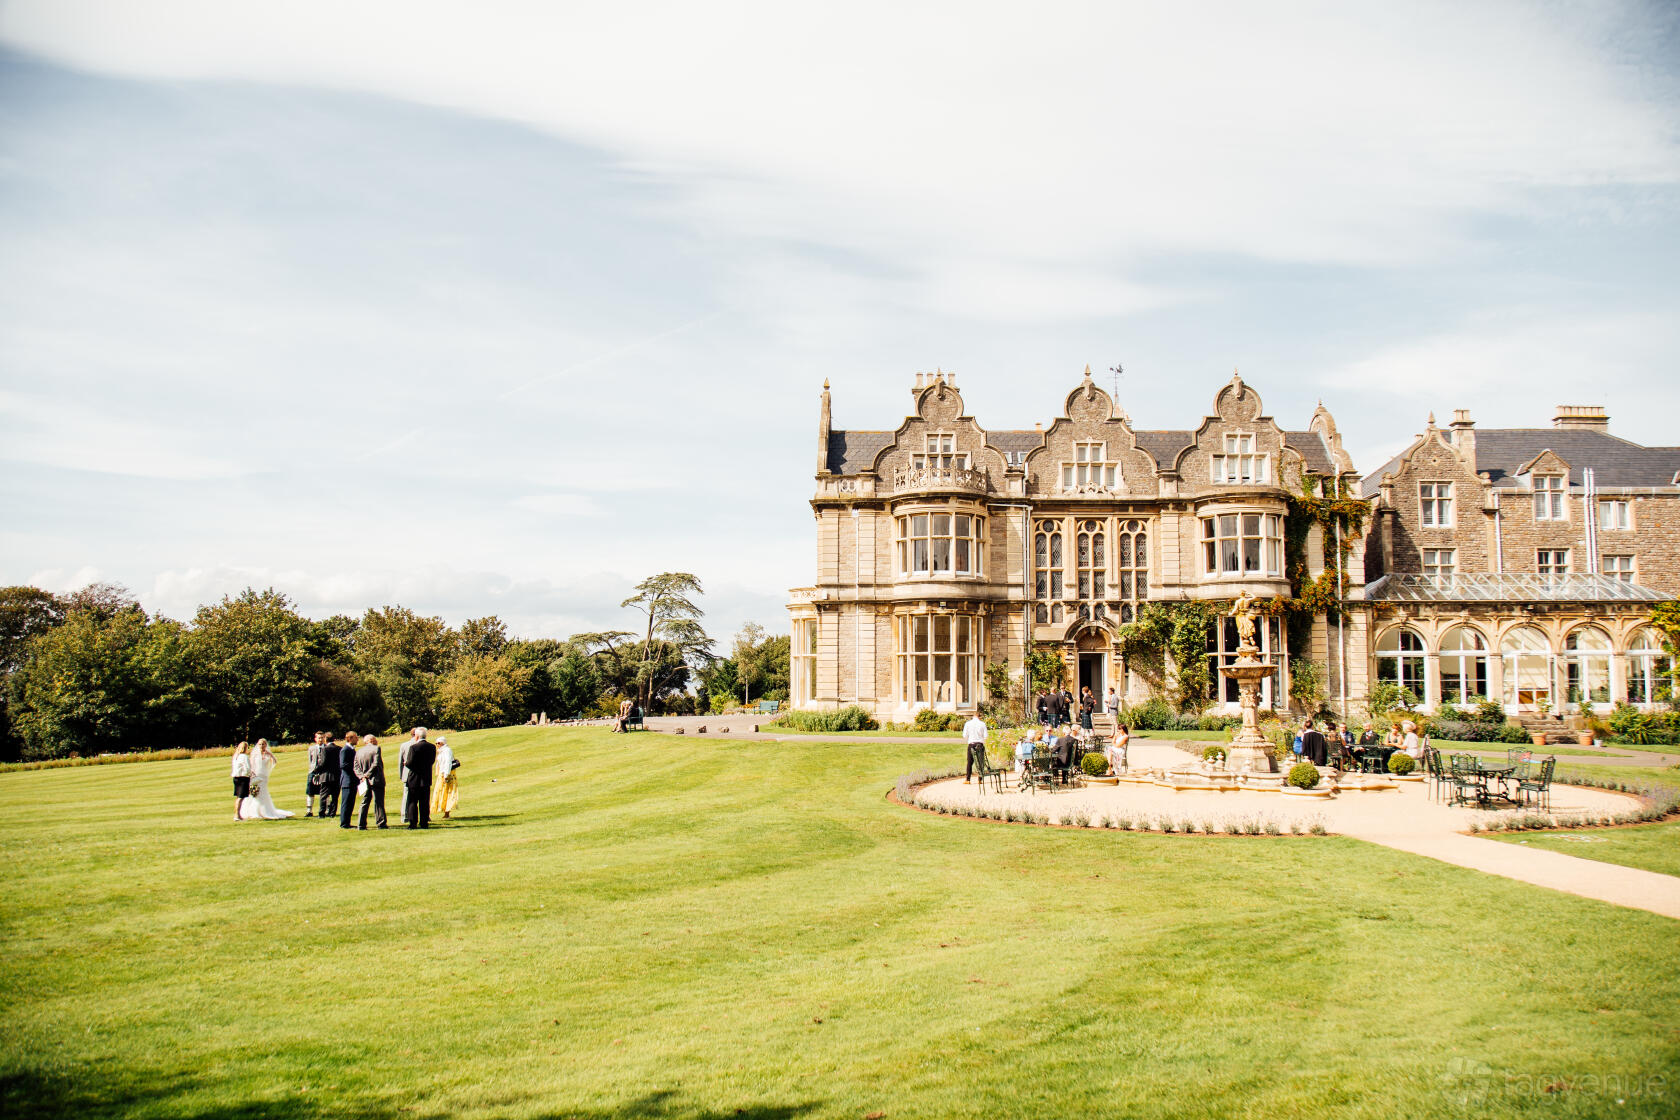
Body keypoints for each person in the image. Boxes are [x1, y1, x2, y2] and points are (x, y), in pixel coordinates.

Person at [240, 739, 295, 820]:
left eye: (263, 744)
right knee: (255, 793)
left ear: (266, 745)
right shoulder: (254, 754)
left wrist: (270, 755)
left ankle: (264, 810)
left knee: (263, 792)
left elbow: (274, 762)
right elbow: (251, 765)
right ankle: (253, 811)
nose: (261, 746)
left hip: (264, 776)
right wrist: (252, 774)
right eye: (260, 744)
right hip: (256, 775)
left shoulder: (267, 754)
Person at [403, 727, 437, 829]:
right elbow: (431, 761)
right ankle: (424, 823)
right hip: (426, 777)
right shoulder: (432, 747)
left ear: (417, 736)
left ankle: (413, 823)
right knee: (424, 802)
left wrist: (406, 763)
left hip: (414, 778)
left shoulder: (413, 747)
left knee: (412, 801)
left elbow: (410, 762)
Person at [353, 733, 388, 830]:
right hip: (376, 780)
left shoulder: (358, 751)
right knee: (378, 802)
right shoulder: (376, 748)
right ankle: (381, 823)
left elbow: (355, 767)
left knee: (364, 802)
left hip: (364, 781)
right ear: (372, 740)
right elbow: (375, 763)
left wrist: (362, 776)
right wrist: (367, 775)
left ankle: (361, 824)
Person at [432, 736, 459, 819]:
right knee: (441, 792)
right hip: (441, 774)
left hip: (447, 774)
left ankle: (447, 813)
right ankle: (444, 811)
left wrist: (446, 775)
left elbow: (448, 763)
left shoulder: (447, 751)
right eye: (436, 743)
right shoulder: (441, 751)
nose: (437, 745)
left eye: (439, 743)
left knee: (447, 792)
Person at [337, 732, 360, 829]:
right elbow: (343, 765)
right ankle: (344, 823)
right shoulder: (345, 750)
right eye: (356, 737)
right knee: (346, 803)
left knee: (350, 803)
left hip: (352, 781)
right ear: (350, 738)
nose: (357, 739)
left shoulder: (351, 749)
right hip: (348, 780)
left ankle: (347, 822)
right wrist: (355, 769)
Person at [318, 731, 341, 821]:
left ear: (325, 739)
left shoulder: (325, 749)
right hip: (336, 775)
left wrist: (317, 770)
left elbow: (323, 763)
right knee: (335, 796)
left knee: (323, 795)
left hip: (326, 775)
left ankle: (322, 813)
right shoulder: (339, 749)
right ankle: (332, 812)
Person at [962, 711, 989, 784]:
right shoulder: (982, 724)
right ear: (979, 716)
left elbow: (964, 735)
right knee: (980, 762)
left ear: (973, 716)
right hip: (979, 744)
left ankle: (968, 779)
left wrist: (970, 738)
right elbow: (986, 736)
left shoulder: (967, 724)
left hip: (971, 744)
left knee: (969, 762)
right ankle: (980, 779)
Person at [304, 731, 325, 817]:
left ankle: (325, 810)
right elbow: (310, 760)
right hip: (312, 771)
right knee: (310, 792)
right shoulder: (311, 748)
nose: (320, 739)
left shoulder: (326, 748)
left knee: (324, 792)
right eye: (319, 738)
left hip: (323, 772)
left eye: (322, 737)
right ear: (315, 739)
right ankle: (309, 811)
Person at [230, 741, 252, 821]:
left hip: (236, 777)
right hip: (243, 778)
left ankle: (238, 814)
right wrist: (250, 774)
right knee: (240, 797)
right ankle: (236, 815)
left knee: (238, 797)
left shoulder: (236, 756)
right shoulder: (244, 756)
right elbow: (247, 768)